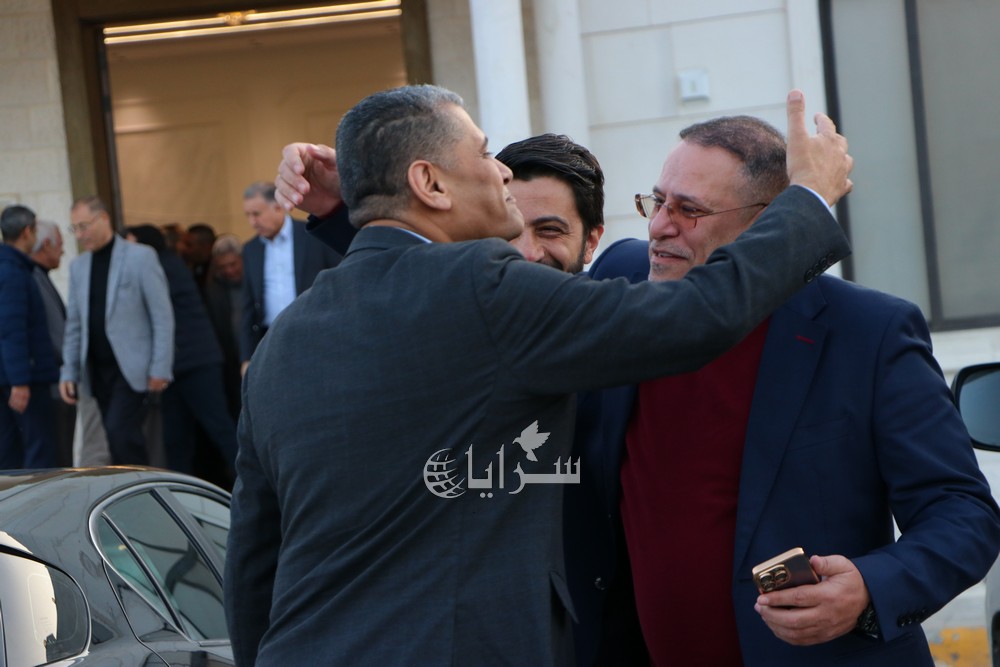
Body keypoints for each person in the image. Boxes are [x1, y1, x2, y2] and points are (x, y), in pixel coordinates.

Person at [224, 84, 853, 665]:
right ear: (430, 183)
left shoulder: (282, 342)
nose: (502, 171)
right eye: (483, 153)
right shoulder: (486, 291)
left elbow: (253, 564)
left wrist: (365, 197)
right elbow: (695, 316)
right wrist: (808, 199)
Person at [567, 115, 1000, 666]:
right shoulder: (623, 284)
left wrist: (868, 588)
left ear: (768, 223)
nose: (658, 227)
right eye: (657, 202)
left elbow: (963, 514)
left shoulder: (867, 332)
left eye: (689, 210)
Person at [282, 133, 606, 274]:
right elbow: (409, 271)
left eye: (549, 230)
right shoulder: (462, 316)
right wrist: (338, 203)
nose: (526, 252)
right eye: (511, 231)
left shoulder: (616, 330)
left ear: (590, 241)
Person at [59, 196, 174, 465]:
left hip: (132, 368)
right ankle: (136, 482)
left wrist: (160, 367)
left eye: (84, 226)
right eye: (75, 228)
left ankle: (140, 485)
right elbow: (74, 324)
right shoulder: (78, 267)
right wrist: (69, 371)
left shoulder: (141, 257)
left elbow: (162, 316)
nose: (80, 234)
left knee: (120, 432)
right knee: (117, 438)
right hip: (96, 370)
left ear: (103, 219)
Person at [125, 224, 237, 482]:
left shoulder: (162, 267)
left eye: (130, 245)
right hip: (174, 366)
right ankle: (181, 493)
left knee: (219, 428)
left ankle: (256, 486)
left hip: (195, 363)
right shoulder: (167, 264)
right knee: (177, 439)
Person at [239, 181, 342, 372]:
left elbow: (339, 280)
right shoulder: (250, 249)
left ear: (278, 208)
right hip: (271, 339)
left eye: (256, 214)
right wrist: (246, 357)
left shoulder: (313, 235)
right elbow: (247, 305)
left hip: (316, 334)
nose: (252, 222)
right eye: (248, 215)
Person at [0, 205, 59, 469]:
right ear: (27, 232)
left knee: (11, 453)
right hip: (25, 380)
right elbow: (12, 329)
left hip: (12, 377)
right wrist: (20, 382)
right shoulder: (12, 271)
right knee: (39, 451)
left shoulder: (11, 267)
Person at [28, 219, 74, 466]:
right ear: (46, 244)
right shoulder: (33, 278)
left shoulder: (38, 276)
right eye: (60, 244)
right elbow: (58, 336)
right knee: (58, 458)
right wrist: (71, 366)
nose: (63, 251)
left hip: (53, 383)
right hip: (53, 384)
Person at [204, 234, 244, 420]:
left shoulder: (257, 283)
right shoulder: (213, 290)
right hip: (230, 361)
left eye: (233, 264)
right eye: (222, 267)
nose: (229, 270)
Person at [179, 222, 217, 293]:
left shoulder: (220, 271)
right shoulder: (190, 265)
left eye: (189, 245)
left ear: (206, 246)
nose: (183, 248)